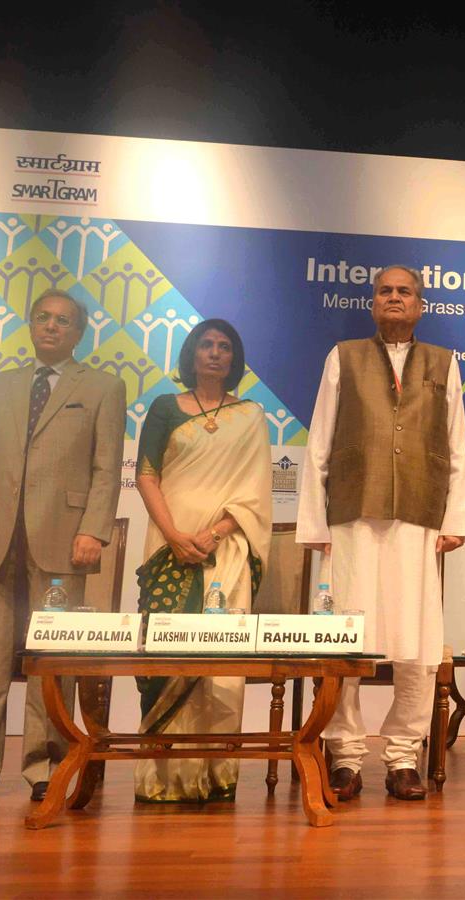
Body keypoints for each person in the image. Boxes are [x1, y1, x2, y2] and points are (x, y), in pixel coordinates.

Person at [297, 265, 465, 803]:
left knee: (416, 643)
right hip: (352, 516)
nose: (394, 299)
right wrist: (316, 524)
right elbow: (319, 443)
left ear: (421, 305)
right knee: (345, 639)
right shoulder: (343, 356)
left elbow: (457, 445)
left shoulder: (443, 362)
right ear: (372, 303)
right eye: (385, 291)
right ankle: (345, 756)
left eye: (405, 292)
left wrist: (456, 521)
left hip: (417, 518)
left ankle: (401, 757)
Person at [0, 289, 125, 804]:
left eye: (64, 321)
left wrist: (94, 530)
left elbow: (106, 466)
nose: (52, 327)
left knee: (50, 662)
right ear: (31, 326)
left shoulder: (102, 387)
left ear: (78, 333)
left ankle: (45, 767)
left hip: (65, 540)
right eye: (43, 318)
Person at [132, 319, 271, 802]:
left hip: (227, 550)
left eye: (225, 347)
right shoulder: (165, 408)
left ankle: (214, 773)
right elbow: (147, 475)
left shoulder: (252, 415)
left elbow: (254, 492)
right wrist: (173, 535)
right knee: (166, 654)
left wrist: (214, 533)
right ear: (192, 353)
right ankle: (164, 777)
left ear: (235, 359)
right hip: (168, 544)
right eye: (207, 345)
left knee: (220, 662)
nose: (215, 353)